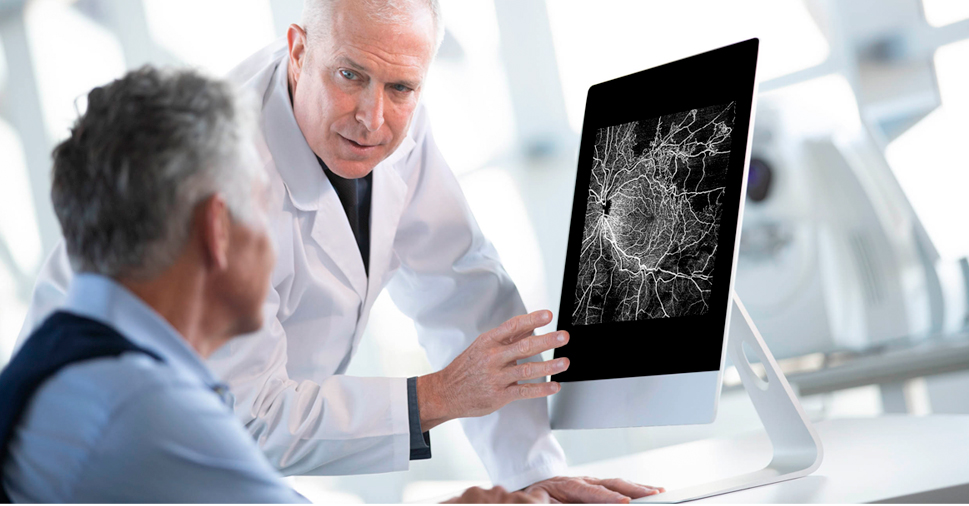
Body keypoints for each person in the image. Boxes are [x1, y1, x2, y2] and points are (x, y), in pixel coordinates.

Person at [18, 0, 663, 502]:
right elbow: (250, 417)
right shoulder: (226, 173)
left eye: (402, 89)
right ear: (299, 51)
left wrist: (529, 476)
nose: (371, 118)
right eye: (350, 76)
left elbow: (466, 293)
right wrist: (432, 399)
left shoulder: (389, 107)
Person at [0, 67, 549, 504]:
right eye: (258, 207)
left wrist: (524, 472)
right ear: (217, 229)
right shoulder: (144, 412)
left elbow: (462, 282)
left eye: (400, 87)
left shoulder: (79, 372)